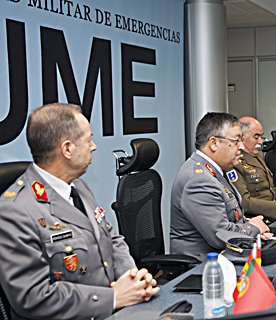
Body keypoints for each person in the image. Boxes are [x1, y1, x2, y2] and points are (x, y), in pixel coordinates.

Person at [0, 103, 159, 320]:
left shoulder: (79, 186)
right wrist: (113, 297)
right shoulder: (14, 210)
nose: (93, 146)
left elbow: (113, 240)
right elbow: (33, 297)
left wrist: (133, 278)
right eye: (88, 140)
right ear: (67, 149)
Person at [170, 112, 271, 262]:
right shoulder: (199, 180)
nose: (242, 147)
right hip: (204, 267)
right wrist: (254, 229)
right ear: (214, 143)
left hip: (225, 255)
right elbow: (220, 236)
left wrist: (250, 225)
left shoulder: (214, 171)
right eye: (236, 140)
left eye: (242, 140)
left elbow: (230, 218)